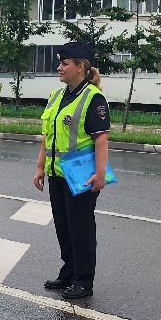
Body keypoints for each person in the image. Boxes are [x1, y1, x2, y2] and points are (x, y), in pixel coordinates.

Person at [33, 41, 110, 300]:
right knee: (63, 227)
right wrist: (40, 167)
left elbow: (101, 139)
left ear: (81, 67)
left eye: (65, 63)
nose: (60, 67)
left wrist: (100, 175)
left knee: (81, 229)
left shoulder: (93, 98)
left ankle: (83, 280)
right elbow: (47, 135)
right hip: (57, 173)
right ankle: (68, 271)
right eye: (60, 63)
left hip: (80, 175)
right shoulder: (57, 96)